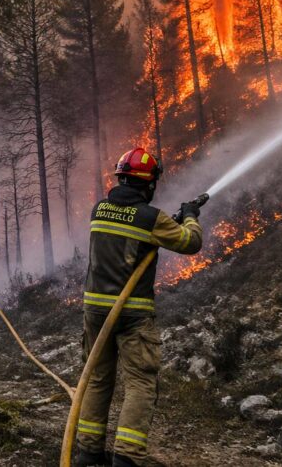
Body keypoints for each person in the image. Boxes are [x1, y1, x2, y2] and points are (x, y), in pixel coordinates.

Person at [73, 148, 203, 467]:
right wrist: (189, 216)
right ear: (148, 184)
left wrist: (160, 228)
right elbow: (190, 242)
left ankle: (89, 452)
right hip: (131, 314)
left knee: (98, 378)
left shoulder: (98, 210)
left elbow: (128, 237)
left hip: (95, 312)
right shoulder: (150, 217)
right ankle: (127, 458)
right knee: (141, 381)